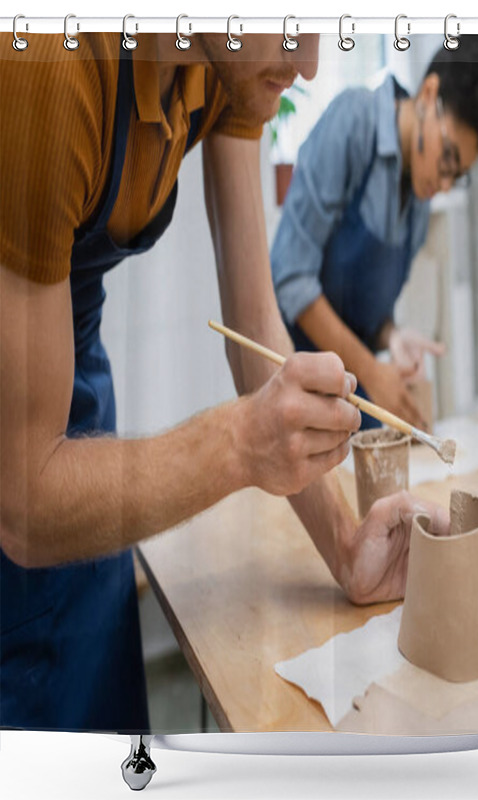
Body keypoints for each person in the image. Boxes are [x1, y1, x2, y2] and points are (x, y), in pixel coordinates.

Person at [0, 30, 448, 733]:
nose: (308, 65)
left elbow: (255, 319)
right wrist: (238, 444)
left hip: (69, 363)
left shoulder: (229, 57)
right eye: (291, 23)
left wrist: (346, 549)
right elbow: (25, 504)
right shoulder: (45, 64)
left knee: (105, 700)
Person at [271, 35, 478, 430]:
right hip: (293, 377)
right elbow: (291, 278)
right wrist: (370, 370)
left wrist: (391, 335)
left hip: (349, 388)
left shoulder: (419, 191)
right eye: (448, 158)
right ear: (429, 94)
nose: (445, 183)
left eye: (458, 175)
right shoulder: (353, 123)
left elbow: (363, 314)